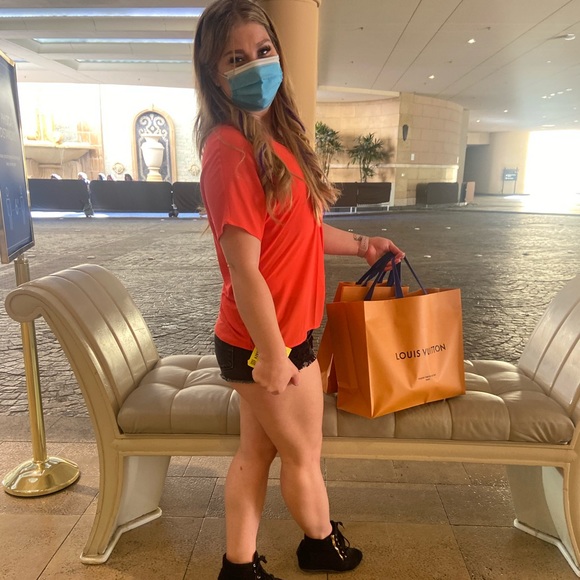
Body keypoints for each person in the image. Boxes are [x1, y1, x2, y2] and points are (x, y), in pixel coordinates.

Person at [193, 1, 404, 578]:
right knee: (304, 455)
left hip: (281, 336)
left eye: (263, 51)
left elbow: (301, 232)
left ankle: (239, 566)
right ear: (214, 73)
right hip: (268, 343)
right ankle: (320, 544)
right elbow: (244, 270)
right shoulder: (229, 152)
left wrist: (364, 245)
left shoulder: (274, 136)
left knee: (257, 452)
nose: (255, 66)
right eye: (236, 58)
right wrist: (274, 356)